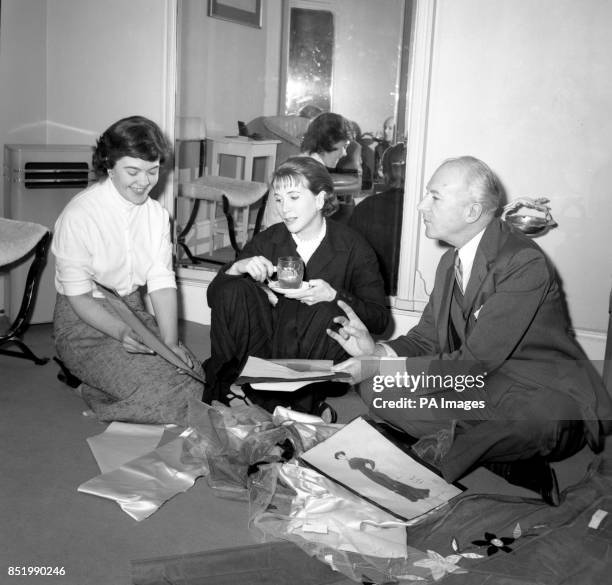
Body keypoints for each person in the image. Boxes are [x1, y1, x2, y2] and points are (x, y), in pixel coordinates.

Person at [328, 155, 612, 505]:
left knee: (535, 420)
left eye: (434, 196)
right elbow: (425, 338)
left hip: (537, 393)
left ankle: (441, 458)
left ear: (472, 211)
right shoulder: (451, 262)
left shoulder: (524, 262)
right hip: (481, 387)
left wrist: (376, 364)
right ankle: (501, 458)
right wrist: (376, 352)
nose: (421, 205)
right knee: (376, 387)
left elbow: (472, 363)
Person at [204, 156, 389, 416]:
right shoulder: (269, 240)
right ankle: (244, 390)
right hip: (270, 347)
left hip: (318, 355)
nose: (284, 208)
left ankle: (282, 401)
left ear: (320, 199)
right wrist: (236, 269)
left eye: (293, 197)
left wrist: (334, 294)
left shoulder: (353, 247)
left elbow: (380, 320)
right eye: (278, 199)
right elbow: (216, 298)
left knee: (326, 309)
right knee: (234, 288)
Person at [52, 115, 203, 425]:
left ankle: (94, 386)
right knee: (171, 397)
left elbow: (161, 281)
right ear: (109, 166)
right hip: (83, 325)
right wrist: (122, 333)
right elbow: (80, 299)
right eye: (132, 171)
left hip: (131, 311)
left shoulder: (157, 215)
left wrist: (171, 343)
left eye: (153, 171)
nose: (144, 181)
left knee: (196, 378)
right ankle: (92, 390)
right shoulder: (79, 214)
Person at [349, 143, 406, 295]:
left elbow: (350, 258)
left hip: (373, 293)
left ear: (383, 171)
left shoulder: (366, 207)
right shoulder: (422, 209)